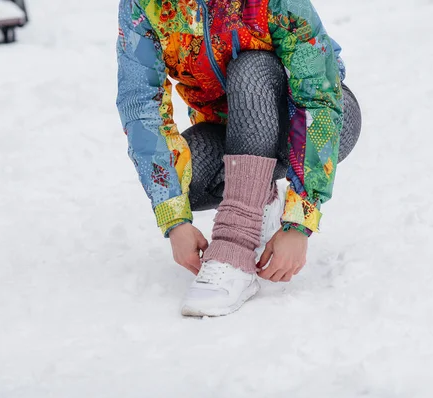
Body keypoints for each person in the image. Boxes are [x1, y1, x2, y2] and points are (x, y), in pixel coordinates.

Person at [116, 0, 361, 317]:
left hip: (315, 123)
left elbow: (318, 97)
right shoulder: (145, 5)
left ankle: (234, 251)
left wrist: (300, 220)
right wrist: (174, 219)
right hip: (232, 132)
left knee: (250, 69)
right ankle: (260, 202)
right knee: (185, 180)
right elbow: (141, 108)